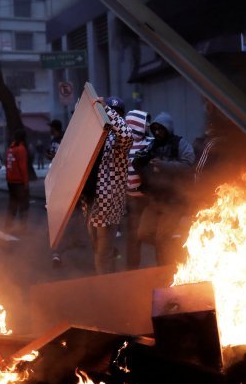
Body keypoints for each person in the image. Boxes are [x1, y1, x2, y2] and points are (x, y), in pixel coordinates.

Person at [132, 111, 196, 266]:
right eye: (155, 129)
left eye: (161, 129)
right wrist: (139, 161)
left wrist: (165, 165)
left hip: (173, 201)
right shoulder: (153, 145)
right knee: (142, 234)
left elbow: (189, 163)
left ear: (168, 128)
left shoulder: (179, 143)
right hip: (155, 200)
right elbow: (141, 164)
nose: (158, 132)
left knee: (162, 238)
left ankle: (166, 269)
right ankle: (172, 251)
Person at [81, 97, 132, 274]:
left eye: (116, 113)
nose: (111, 116)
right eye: (110, 111)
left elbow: (126, 134)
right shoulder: (97, 135)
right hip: (91, 201)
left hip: (107, 203)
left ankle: (106, 286)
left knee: (103, 251)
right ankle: (107, 276)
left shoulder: (117, 140)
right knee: (97, 247)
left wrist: (107, 110)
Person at [124, 109, 152, 270]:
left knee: (153, 233)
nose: (148, 125)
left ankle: (161, 266)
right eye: (144, 122)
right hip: (133, 198)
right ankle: (132, 269)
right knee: (134, 235)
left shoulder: (150, 142)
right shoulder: (124, 146)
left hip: (149, 197)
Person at [46, 119, 66, 267]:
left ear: (55, 128)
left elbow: (62, 157)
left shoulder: (64, 139)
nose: (50, 130)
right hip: (55, 178)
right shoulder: (53, 140)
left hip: (63, 178)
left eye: (51, 128)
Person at [5, 128, 30, 233]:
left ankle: (8, 225)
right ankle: (23, 227)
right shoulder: (21, 149)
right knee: (23, 204)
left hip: (10, 181)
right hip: (19, 181)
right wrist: (26, 182)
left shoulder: (10, 148)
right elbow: (23, 167)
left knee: (13, 203)